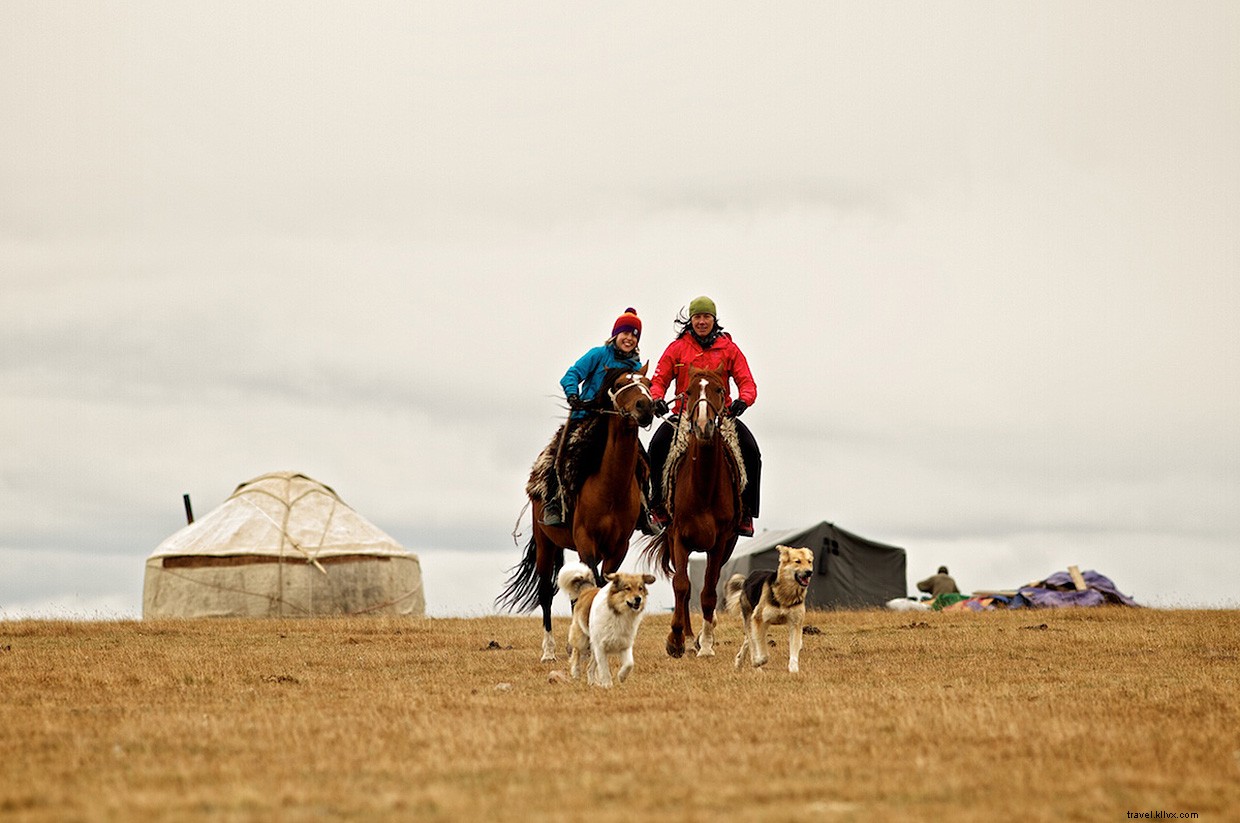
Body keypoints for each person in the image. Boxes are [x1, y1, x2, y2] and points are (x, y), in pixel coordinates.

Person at [647, 295, 761, 537]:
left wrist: (743, 400)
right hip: (684, 416)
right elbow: (659, 380)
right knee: (656, 446)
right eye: (697, 317)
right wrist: (657, 399)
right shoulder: (677, 348)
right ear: (691, 320)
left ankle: (746, 512)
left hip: (721, 418)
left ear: (713, 319)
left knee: (751, 451)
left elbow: (747, 381)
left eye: (706, 317)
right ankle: (657, 506)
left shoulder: (729, 349)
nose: (701, 321)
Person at [542, 308, 655, 533]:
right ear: (616, 335)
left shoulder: (636, 368)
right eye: (625, 333)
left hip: (620, 426)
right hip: (586, 418)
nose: (629, 338)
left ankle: (644, 510)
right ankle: (554, 502)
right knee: (561, 454)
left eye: (634, 335)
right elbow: (571, 375)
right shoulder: (598, 354)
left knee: (643, 463)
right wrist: (574, 395)